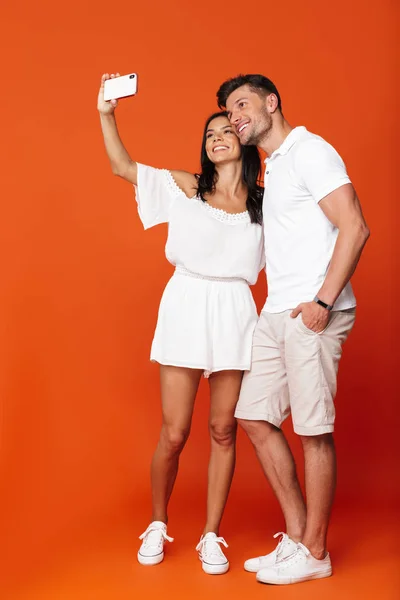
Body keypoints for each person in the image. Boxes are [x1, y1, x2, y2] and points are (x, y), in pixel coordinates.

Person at [97, 73, 265, 574]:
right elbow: (122, 166)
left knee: (223, 430)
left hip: (236, 311)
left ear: (244, 141)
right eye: (209, 133)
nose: (216, 137)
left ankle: (211, 535)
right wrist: (107, 112)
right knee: (174, 432)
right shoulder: (186, 187)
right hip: (187, 304)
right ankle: (157, 522)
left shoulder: (264, 204)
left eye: (226, 130)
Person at [216, 74, 370, 585]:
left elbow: (355, 225)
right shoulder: (274, 167)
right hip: (277, 312)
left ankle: (317, 552)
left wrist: (323, 302)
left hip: (311, 312)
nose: (234, 115)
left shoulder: (310, 151)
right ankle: (300, 539)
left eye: (242, 104)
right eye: (227, 110)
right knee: (254, 415)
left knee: (312, 431)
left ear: (272, 102)